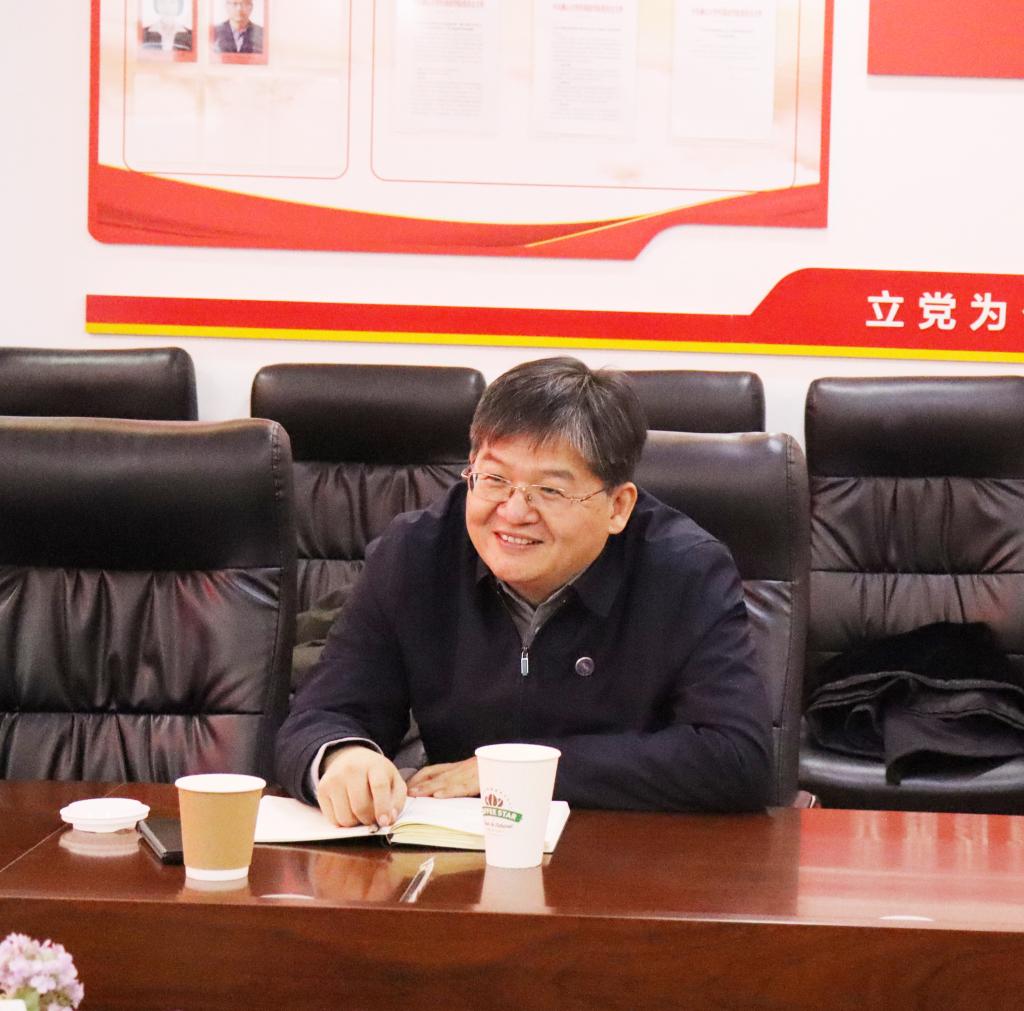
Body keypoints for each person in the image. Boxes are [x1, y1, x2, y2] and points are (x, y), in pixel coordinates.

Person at [275, 357, 771, 827]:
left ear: (617, 507)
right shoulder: (415, 554)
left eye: (549, 490)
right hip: (462, 852)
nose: (513, 512)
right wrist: (342, 756)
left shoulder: (685, 570)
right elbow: (322, 714)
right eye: (494, 479)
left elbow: (736, 757)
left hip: (629, 854)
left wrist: (515, 772)